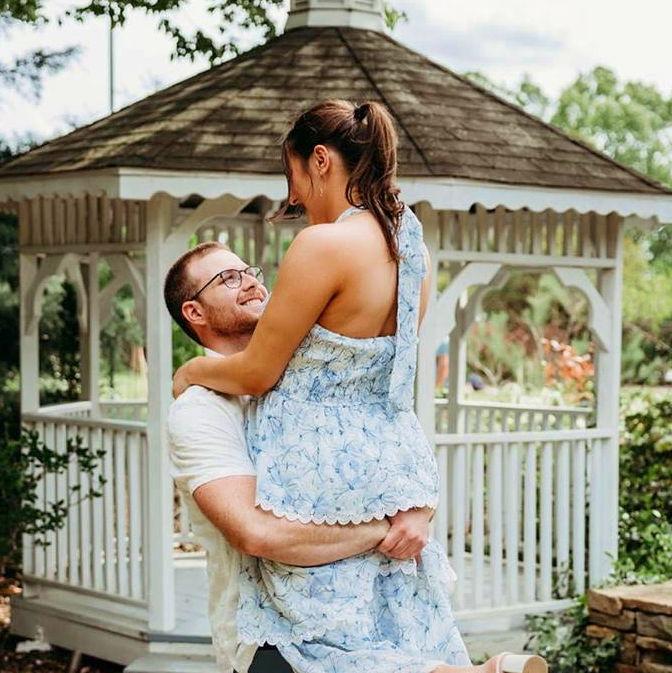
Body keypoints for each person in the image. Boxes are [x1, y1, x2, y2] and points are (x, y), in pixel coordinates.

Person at [172, 100, 547, 673]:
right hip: (390, 460)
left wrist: (190, 372)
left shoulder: (322, 245)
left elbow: (257, 373)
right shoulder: (411, 247)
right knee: (389, 622)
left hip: (319, 465)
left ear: (320, 161)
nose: (295, 198)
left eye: (293, 177)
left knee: (322, 640)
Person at [165, 242, 433, 673]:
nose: (250, 282)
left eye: (249, 271)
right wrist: (385, 529)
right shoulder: (200, 411)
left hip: (368, 616)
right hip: (272, 641)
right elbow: (257, 534)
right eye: (228, 278)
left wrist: (419, 509)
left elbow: (390, 449)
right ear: (194, 311)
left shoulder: (309, 385)